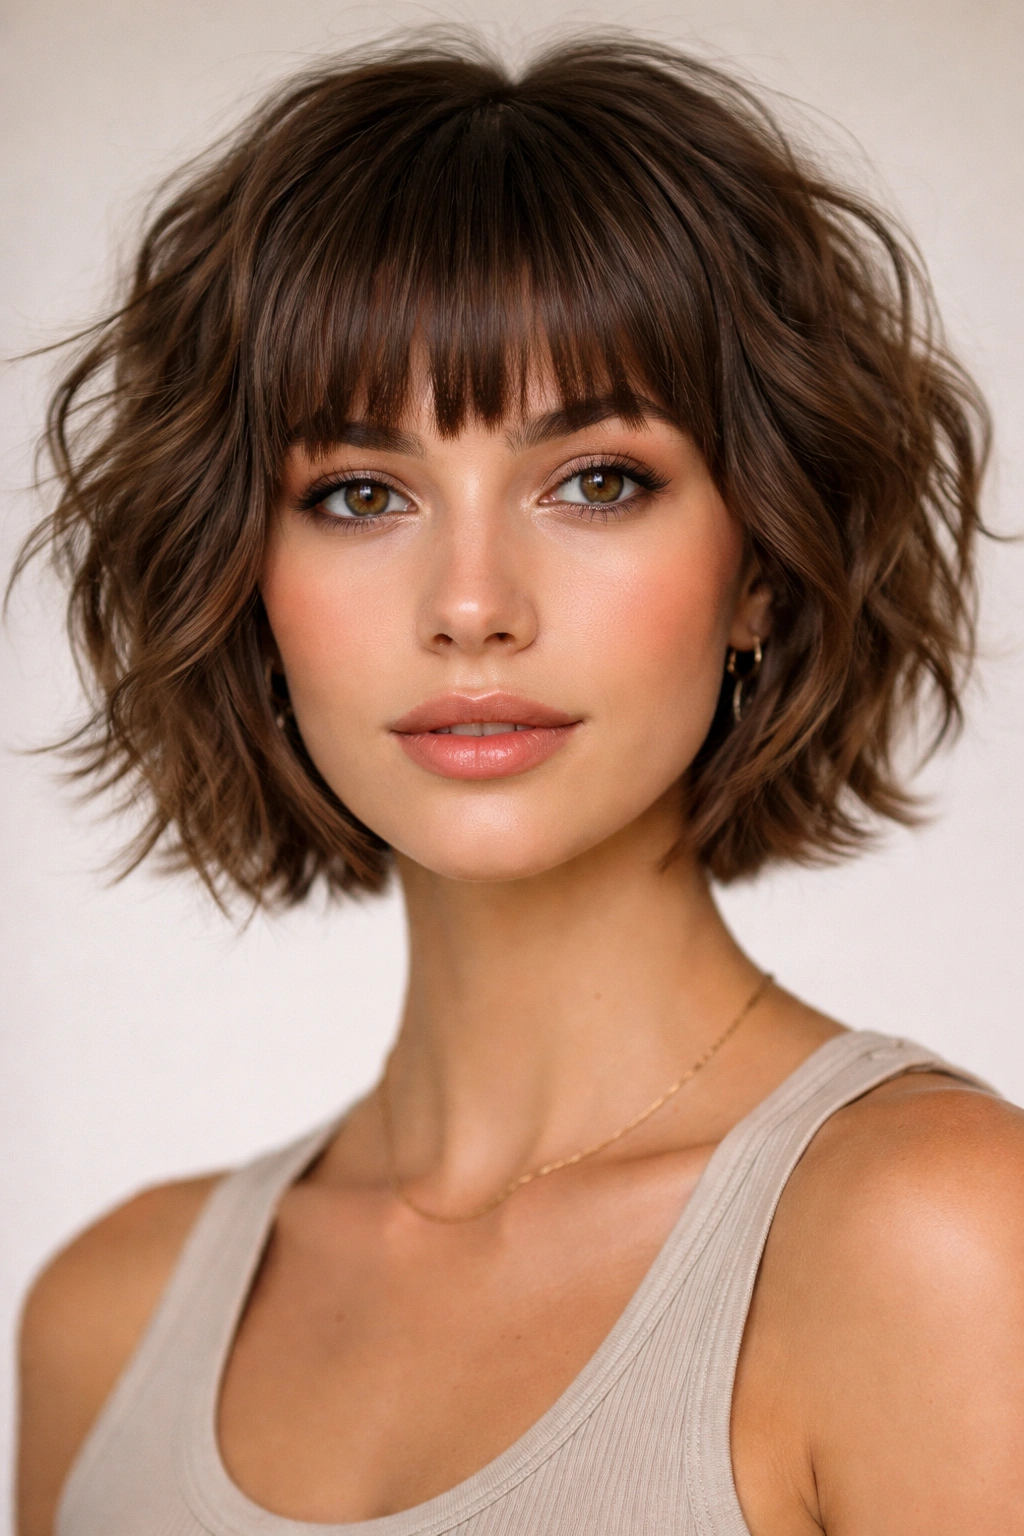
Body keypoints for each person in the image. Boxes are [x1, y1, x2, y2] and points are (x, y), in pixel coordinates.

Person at [13, 33, 1024, 1536]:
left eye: (598, 481)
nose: (472, 604)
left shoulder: (938, 1241)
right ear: (244, 580)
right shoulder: (104, 1323)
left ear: (760, 564)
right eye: (360, 493)